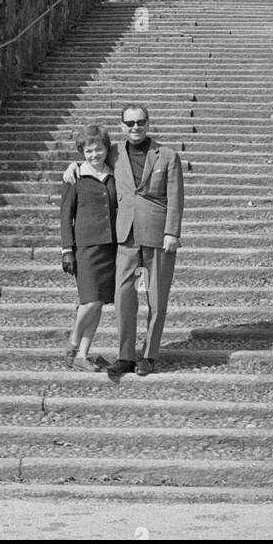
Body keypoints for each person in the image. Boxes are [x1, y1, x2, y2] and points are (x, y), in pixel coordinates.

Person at [63, 104, 183, 376]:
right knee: (123, 296)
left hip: (158, 234)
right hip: (125, 235)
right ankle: (126, 355)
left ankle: (150, 355)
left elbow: (176, 198)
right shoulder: (115, 153)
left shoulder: (167, 155)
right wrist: (74, 166)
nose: (135, 127)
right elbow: (93, 158)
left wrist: (172, 232)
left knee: (157, 298)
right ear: (121, 126)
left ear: (148, 123)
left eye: (140, 122)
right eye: (129, 123)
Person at [58, 124, 119, 371]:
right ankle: (73, 341)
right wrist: (66, 249)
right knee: (90, 301)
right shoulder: (74, 177)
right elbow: (65, 216)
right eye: (89, 151)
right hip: (85, 248)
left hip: (111, 247)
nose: (94, 155)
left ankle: (82, 355)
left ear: (106, 149)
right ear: (82, 152)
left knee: (99, 303)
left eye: (99, 149)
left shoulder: (114, 173)